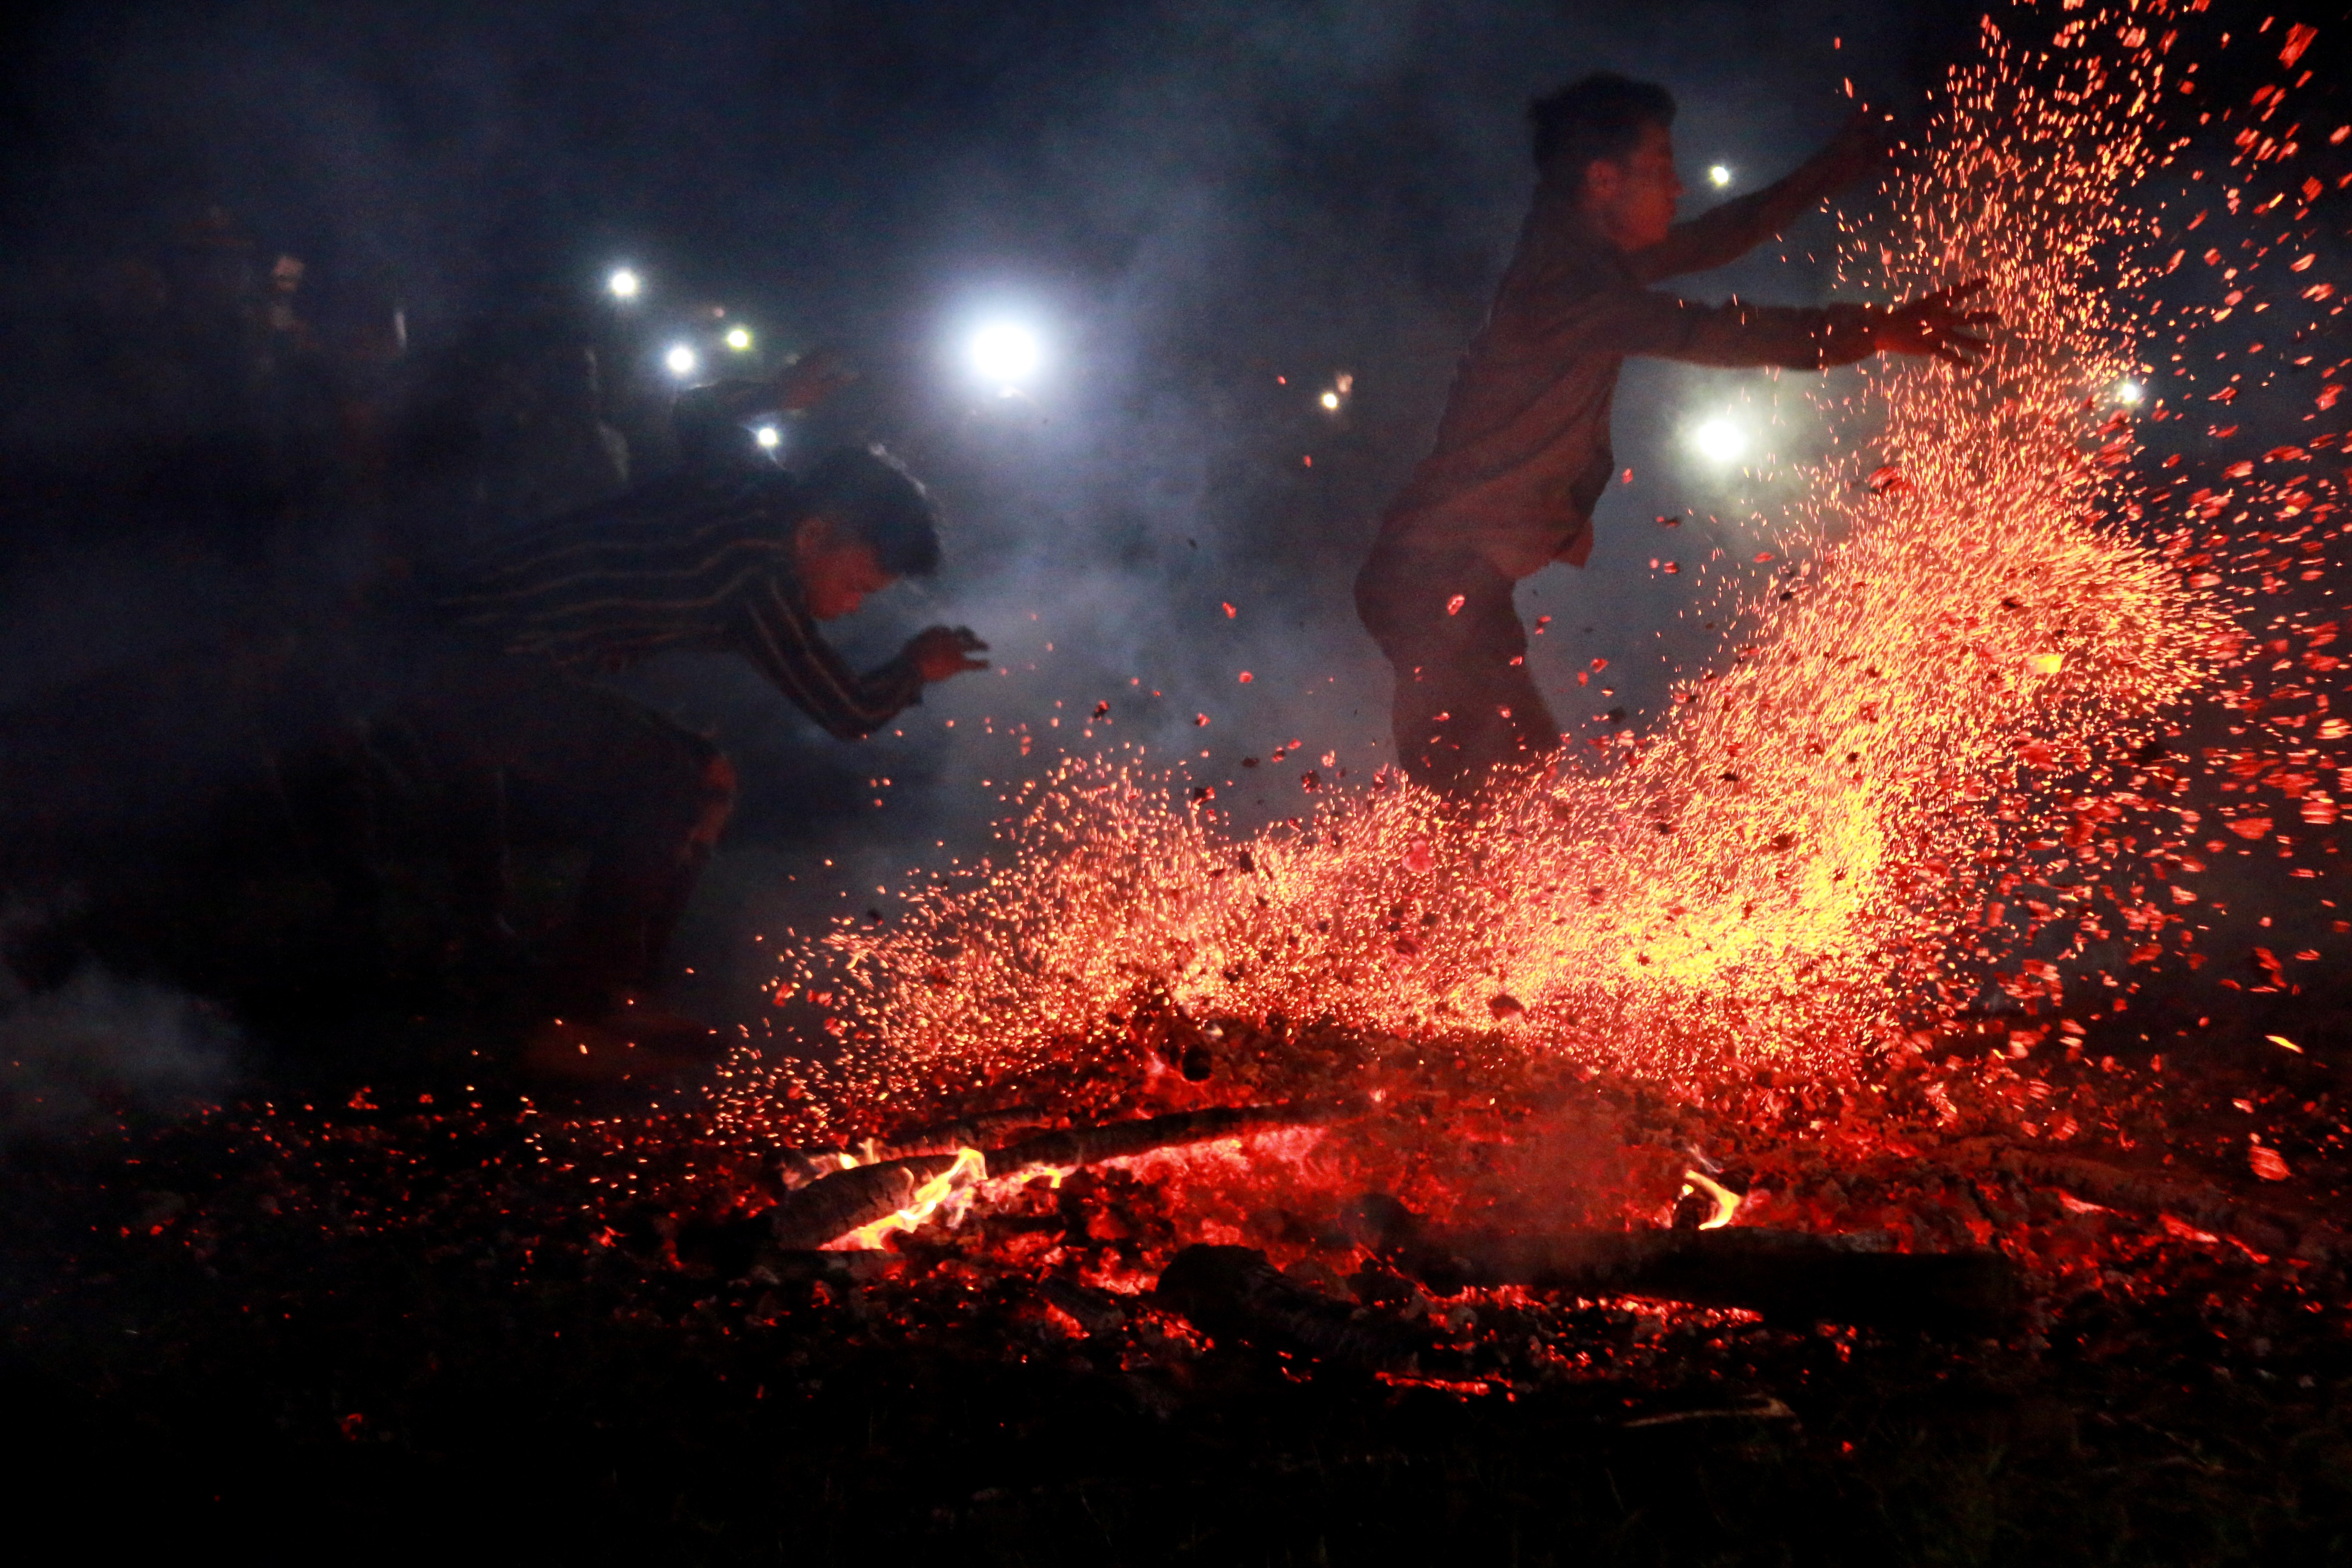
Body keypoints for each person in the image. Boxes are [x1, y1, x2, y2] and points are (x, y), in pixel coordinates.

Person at [1356, 73, 1993, 794]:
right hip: (1432, 578)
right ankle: (1417, 905)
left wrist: (1824, 173)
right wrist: (1871, 329)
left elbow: (1715, 238)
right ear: (1603, 180)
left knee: (1510, 775)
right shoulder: (1569, 288)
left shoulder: (1584, 258)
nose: (1678, 188)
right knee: (1503, 778)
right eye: (1660, 170)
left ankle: (1430, 901)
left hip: (1450, 578)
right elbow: (1709, 332)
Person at [367, 351, 987, 1057]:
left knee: (705, 777)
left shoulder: (749, 485)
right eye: (857, 586)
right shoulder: (762, 578)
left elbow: (696, 409)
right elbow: (845, 709)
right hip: (472, 657)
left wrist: (776, 394)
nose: (849, 608)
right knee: (670, 780)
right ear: (815, 536)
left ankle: (617, 993)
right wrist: (915, 666)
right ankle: (567, 1022)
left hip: (461, 639)